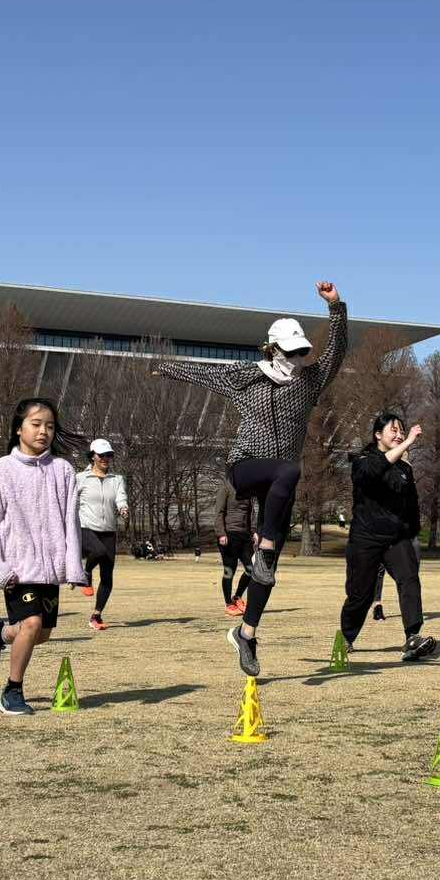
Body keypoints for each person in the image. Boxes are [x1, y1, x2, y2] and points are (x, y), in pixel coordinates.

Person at [153, 281, 348, 678]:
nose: (298, 360)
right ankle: (267, 547)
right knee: (289, 473)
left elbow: (336, 352)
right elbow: (207, 375)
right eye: (291, 353)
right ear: (273, 349)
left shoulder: (310, 381)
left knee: (267, 571)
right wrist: (166, 367)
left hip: (281, 486)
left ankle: (246, 633)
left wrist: (336, 308)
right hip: (246, 466)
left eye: (302, 353)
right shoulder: (249, 377)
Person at [0, 398, 86, 716]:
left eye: (49, 426)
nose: (43, 432)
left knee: (42, 633)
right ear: (18, 428)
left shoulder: (63, 470)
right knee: (31, 623)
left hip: (50, 569)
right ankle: (12, 692)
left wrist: (72, 566)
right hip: (17, 569)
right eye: (36, 424)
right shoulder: (3, 470)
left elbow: (70, 522)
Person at [339, 413, 437, 661]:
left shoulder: (404, 468)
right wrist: (407, 444)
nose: (399, 435)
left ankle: (413, 637)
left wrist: (412, 533)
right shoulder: (362, 461)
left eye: (402, 431)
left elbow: (411, 503)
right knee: (361, 595)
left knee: (409, 578)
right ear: (377, 435)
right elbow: (374, 470)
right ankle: (346, 637)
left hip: (395, 538)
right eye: (394, 430)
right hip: (365, 538)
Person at [76, 437, 129, 631]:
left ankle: (96, 615)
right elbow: (70, 502)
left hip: (109, 530)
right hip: (86, 527)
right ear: (92, 456)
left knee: (107, 576)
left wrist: (123, 508)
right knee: (97, 551)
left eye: (109, 455)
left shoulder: (116, 479)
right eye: (102, 455)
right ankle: (86, 572)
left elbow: (121, 498)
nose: (106, 458)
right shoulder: (80, 478)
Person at [214, 475, 257, 615]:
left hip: (245, 536)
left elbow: (251, 513)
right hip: (229, 535)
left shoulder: (248, 491)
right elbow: (219, 512)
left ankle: (237, 597)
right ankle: (228, 604)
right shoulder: (226, 488)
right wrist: (221, 533)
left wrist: (254, 532)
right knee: (229, 570)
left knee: (252, 569)